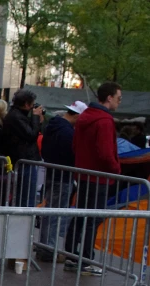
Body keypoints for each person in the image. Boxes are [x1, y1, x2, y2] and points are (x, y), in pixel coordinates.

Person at [64, 82, 122, 275]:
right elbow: (106, 153)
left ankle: (72, 256)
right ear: (109, 98)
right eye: (118, 98)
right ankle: (86, 260)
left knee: (80, 215)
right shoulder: (104, 121)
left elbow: (75, 146)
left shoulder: (85, 117)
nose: (119, 101)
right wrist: (115, 169)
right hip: (99, 177)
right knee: (92, 218)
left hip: (84, 174)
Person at [36, 101, 87, 262]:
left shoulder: (53, 127)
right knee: (55, 213)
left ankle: (45, 247)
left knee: (49, 212)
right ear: (77, 116)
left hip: (53, 172)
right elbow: (71, 155)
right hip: (62, 176)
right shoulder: (67, 133)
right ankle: (49, 250)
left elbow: (45, 148)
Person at [2, 89, 43, 207]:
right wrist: (35, 118)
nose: (33, 108)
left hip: (25, 159)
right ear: (26, 104)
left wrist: (37, 120)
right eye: (32, 104)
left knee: (26, 194)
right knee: (27, 195)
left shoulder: (18, 115)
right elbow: (31, 135)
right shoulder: (16, 117)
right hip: (24, 159)